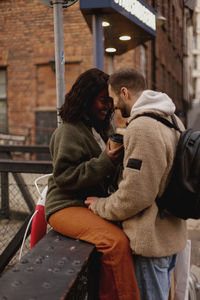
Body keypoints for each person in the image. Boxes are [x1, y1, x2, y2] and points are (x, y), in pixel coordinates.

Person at [85, 67, 187, 300]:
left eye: (113, 99)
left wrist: (100, 205)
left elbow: (135, 196)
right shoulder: (172, 119)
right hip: (170, 235)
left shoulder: (141, 127)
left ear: (124, 92)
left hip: (151, 243)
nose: (114, 106)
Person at [45, 68, 140, 300]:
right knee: (115, 243)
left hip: (91, 204)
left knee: (130, 235)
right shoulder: (67, 131)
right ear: (86, 99)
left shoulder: (101, 128)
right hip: (65, 206)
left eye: (110, 101)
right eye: (103, 100)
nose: (109, 106)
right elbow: (65, 177)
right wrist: (106, 162)